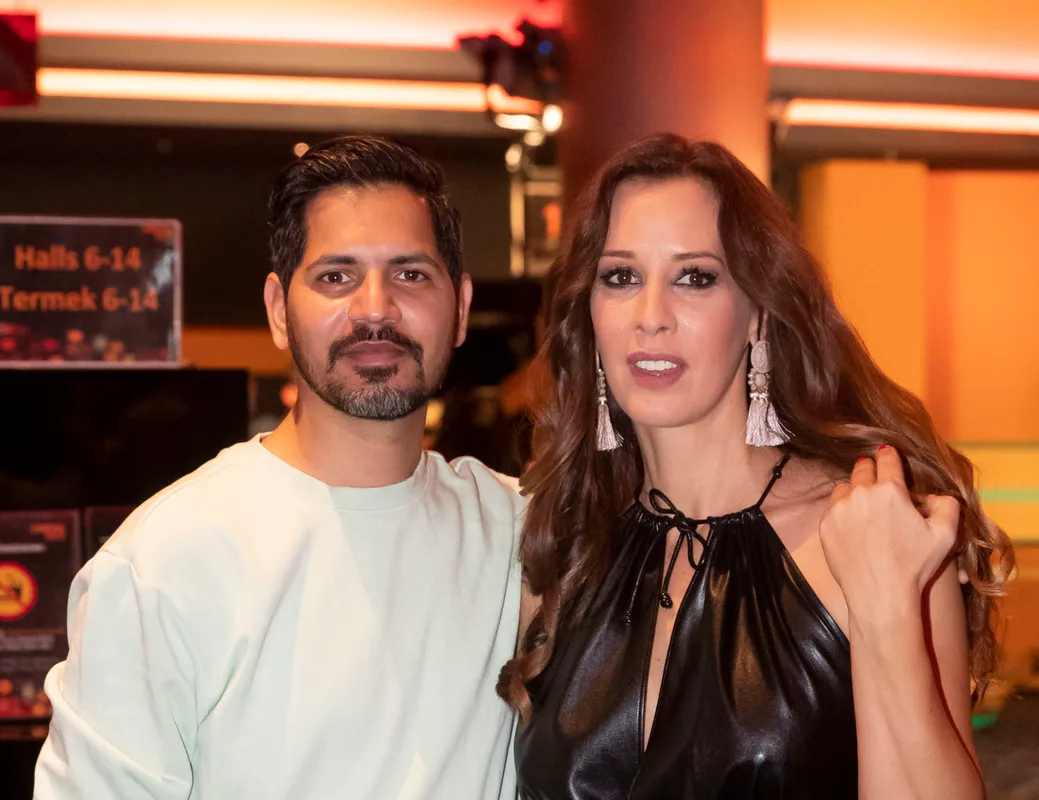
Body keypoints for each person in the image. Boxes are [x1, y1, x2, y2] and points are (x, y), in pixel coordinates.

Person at [498, 134, 1014, 799]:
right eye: (620, 277)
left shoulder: (869, 535)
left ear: (757, 314)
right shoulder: (562, 548)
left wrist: (887, 607)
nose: (650, 317)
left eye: (695, 277)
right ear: (589, 313)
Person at [35, 135, 526, 799]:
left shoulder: (518, 531)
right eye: (335, 277)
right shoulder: (167, 560)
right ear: (277, 310)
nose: (375, 308)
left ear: (460, 308)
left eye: (410, 274)